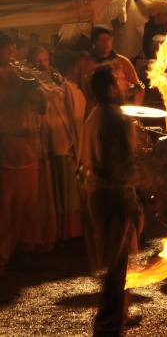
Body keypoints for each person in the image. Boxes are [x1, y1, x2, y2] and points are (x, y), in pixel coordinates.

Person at [80, 65, 144, 336]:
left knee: (119, 261)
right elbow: (124, 167)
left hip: (98, 195)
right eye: (120, 81)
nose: (127, 84)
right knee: (117, 266)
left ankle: (119, 315)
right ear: (110, 89)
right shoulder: (116, 118)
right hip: (114, 197)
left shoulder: (95, 114)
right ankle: (108, 326)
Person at [0, 33, 55, 276]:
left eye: (13, 48)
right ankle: (2, 256)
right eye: (8, 49)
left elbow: (46, 99)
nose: (12, 53)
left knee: (29, 204)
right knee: (6, 208)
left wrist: (36, 93)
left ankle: (23, 249)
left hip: (30, 150)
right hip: (9, 150)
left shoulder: (17, 72)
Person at [29, 46, 86, 241]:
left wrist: (63, 86)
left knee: (66, 189)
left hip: (62, 140)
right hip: (45, 143)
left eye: (45, 60)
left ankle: (68, 231)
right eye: (38, 60)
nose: (42, 64)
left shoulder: (58, 80)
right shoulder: (29, 84)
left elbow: (75, 95)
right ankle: (51, 232)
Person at [68, 25, 144, 117]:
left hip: (118, 113)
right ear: (94, 43)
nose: (106, 43)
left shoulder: (123, 63)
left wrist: (131, 113)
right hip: (90, 113)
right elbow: (69, 88)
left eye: (108, 39)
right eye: (101, 40)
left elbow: (138, 89)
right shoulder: (82, 64)